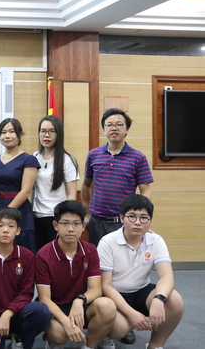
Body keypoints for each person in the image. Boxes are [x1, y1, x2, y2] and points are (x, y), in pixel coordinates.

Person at [98, 196, 184, 349]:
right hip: (114, 294)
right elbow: (106, 286)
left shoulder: (155, 240)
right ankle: (105, 334)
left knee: (174, 300)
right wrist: (131, 314)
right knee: (119, 329)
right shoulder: (107, 242)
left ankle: (155, 345)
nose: (138, 222)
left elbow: (167, 276)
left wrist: (159, 298)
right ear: (122, 218)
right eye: (132, 216)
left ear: (150, 221)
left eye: (144, 218)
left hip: (141, 291)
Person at [36, 200, 116, 349]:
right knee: (59, 335)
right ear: (55, 225)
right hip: (56, 307)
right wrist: (66, 322)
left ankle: (89, 345)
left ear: (83, 226)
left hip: (81, 305)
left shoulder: (90, 250)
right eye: (65, 223)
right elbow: (44, 298)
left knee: (108, 306)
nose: (71, 229)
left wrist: (79, 300)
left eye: (76, 224)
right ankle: (51, 339)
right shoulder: (43, 255)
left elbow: (96, 289)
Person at [0, 207, 51, 349]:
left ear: (18, 231)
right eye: (0, 225)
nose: (5, 230)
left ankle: (19, 339)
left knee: (41, 310)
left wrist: (8, 313)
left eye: (11, 226)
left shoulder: (27, 256)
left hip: (16, 314)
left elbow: (26, 293)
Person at [82, 108, 153, 247]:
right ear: (104, 129)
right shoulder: (93, 155)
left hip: (123, 222)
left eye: (119, 124)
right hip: (96, 222)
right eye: (109, 125)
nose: (114, 128)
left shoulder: (138, 158)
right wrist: (87, 213)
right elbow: (85, 185)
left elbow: (145, 190)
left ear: (127, 129)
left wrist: (142, 218)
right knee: (97, 258)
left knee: (123, 258)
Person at [0, 118, 40, 252]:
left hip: (19, 209)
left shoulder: (29, 159)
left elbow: (25, 191)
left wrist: (7, 212)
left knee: (22, 251)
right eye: (3, 132)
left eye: (11, 132)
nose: (7, 136)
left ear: (20, 134)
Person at [33, 116, 79, 249]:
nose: (46, 135)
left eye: (51, 131)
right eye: (43, 131)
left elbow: (71, 195)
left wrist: (65, 221)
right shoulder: (34, 157)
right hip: (36, 216)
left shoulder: (67, 160)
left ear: (59, 134)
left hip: (56, 218)